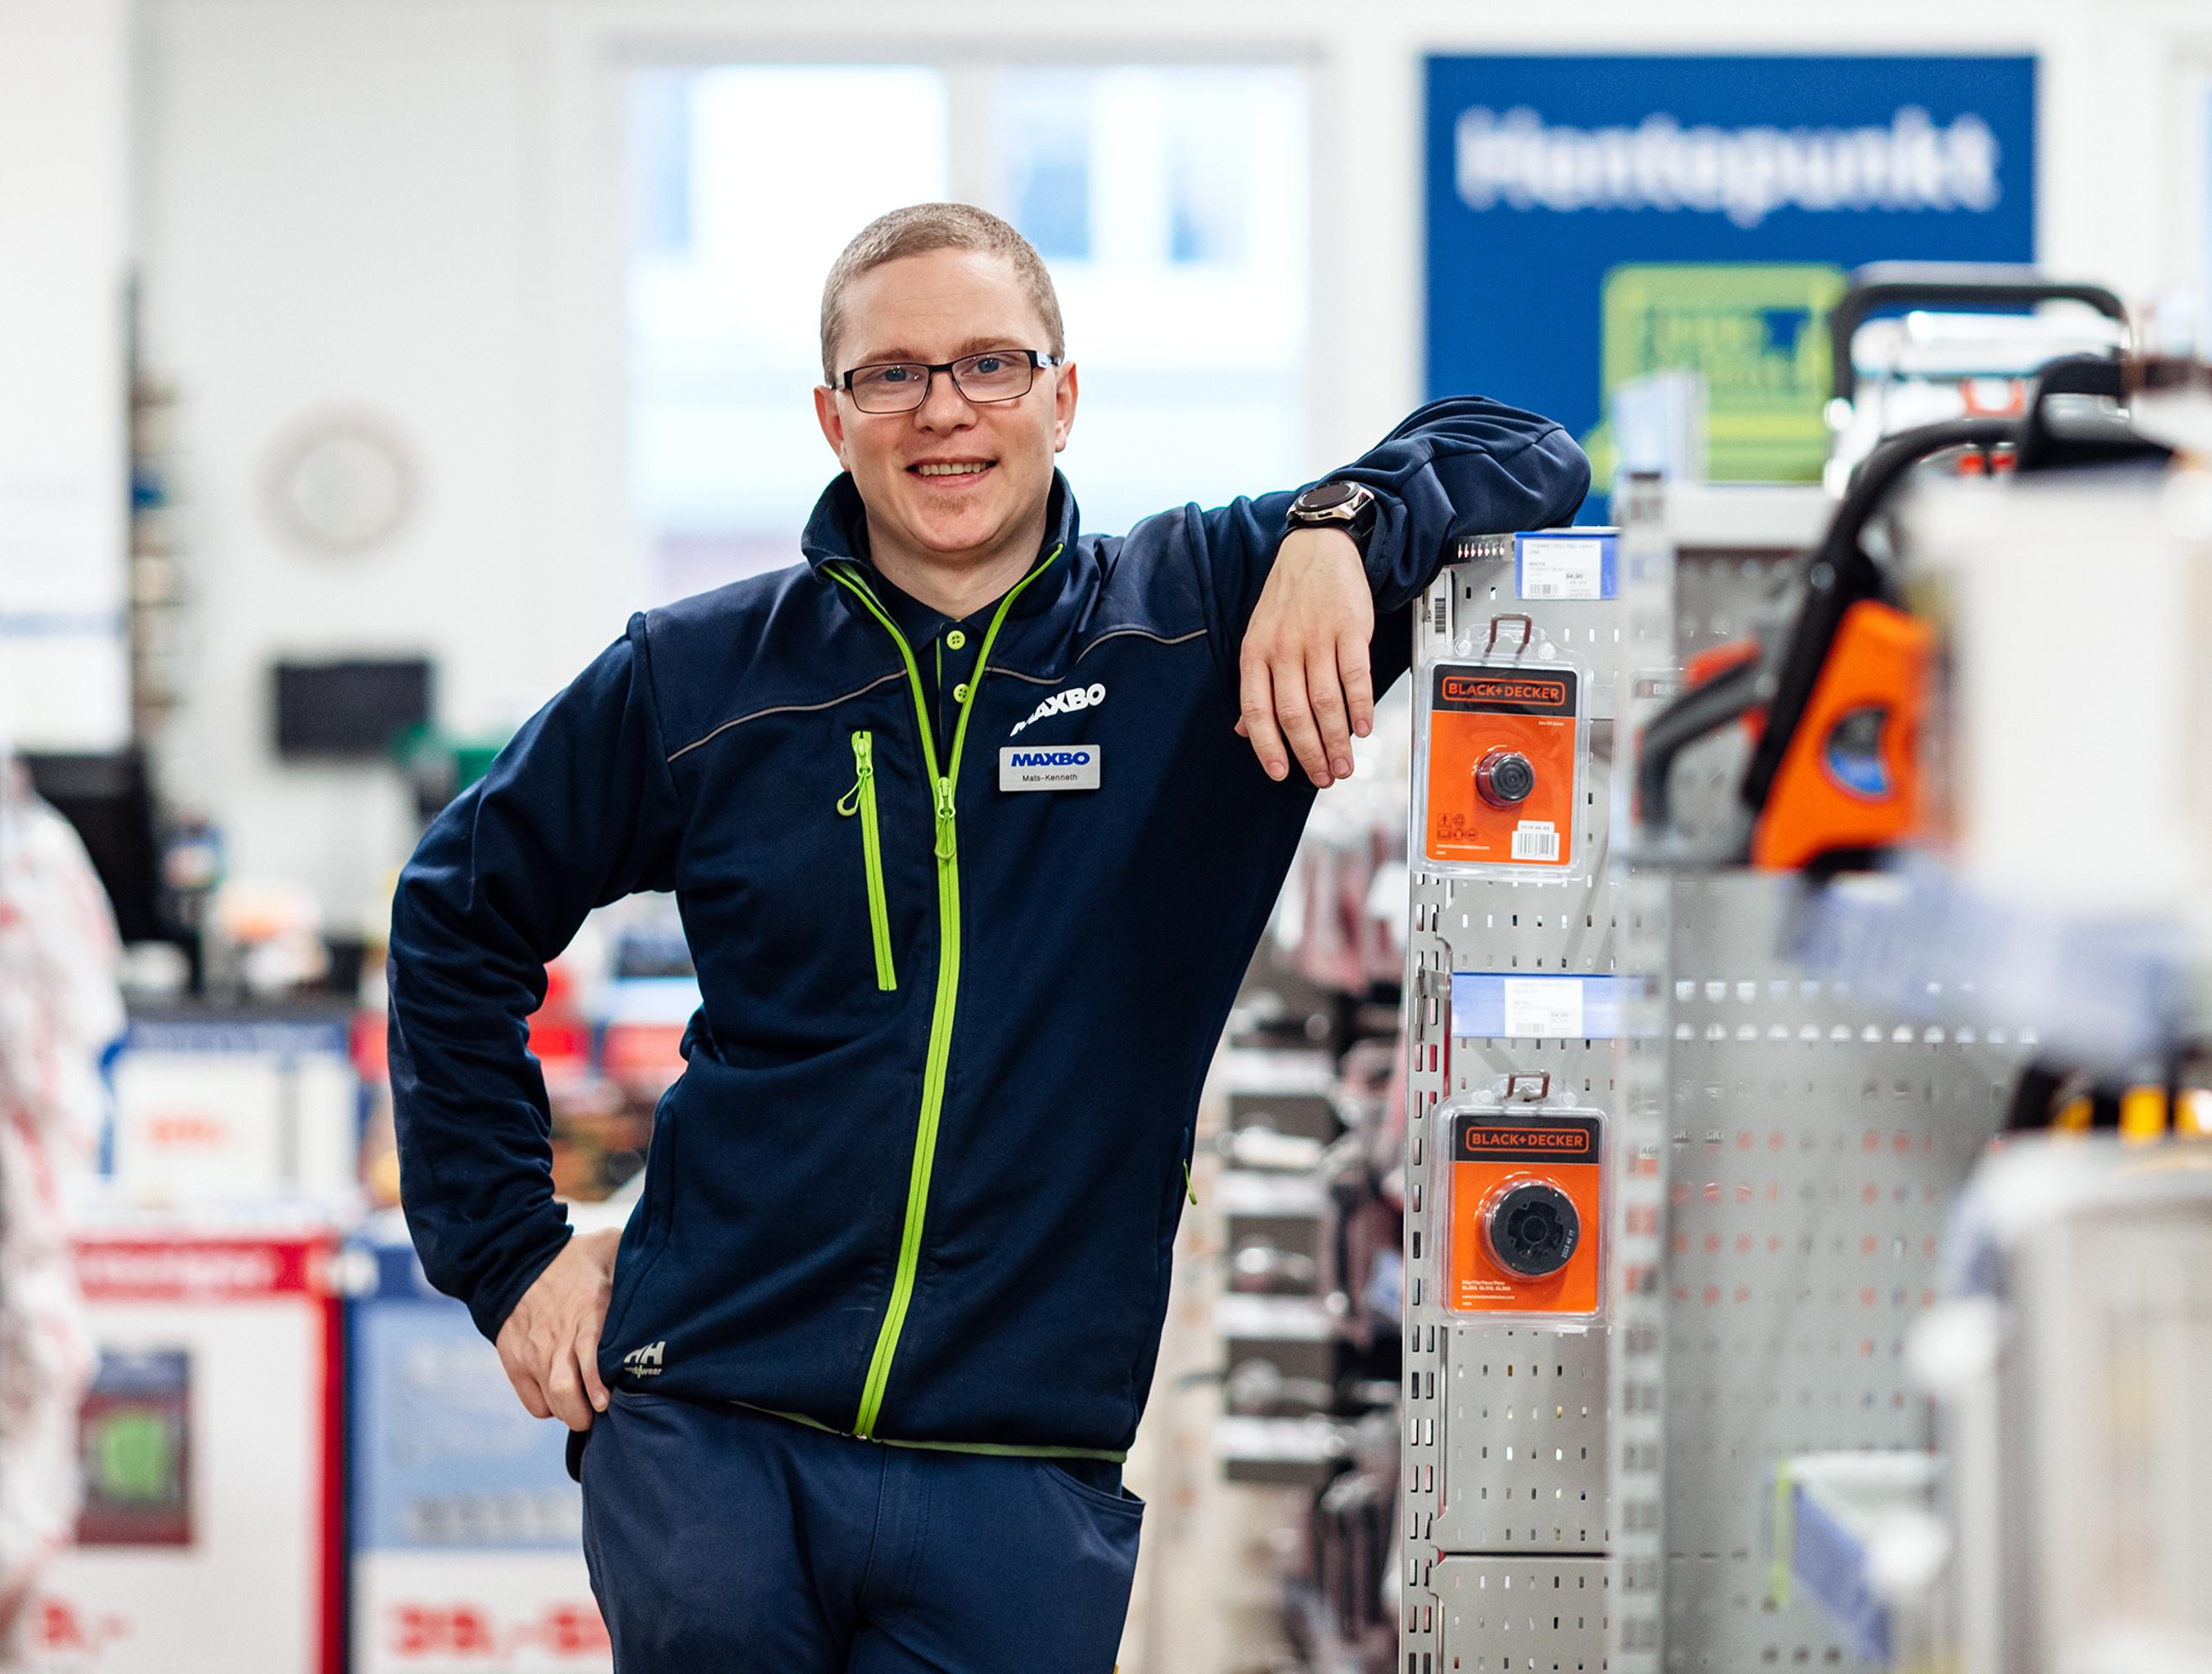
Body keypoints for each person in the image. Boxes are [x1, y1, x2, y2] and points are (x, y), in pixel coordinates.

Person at [389, 201, 1586, 1671]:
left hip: (1024, 1473)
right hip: (711, 1438)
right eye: (891, 375)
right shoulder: (700, 676)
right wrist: (509, 1256)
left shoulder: (1193, 621)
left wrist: (1341, 529)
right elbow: (454, 914)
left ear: (1061, 397)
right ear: (833, 418)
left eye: (990, 365)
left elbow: (1525, 447)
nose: (943, 410)